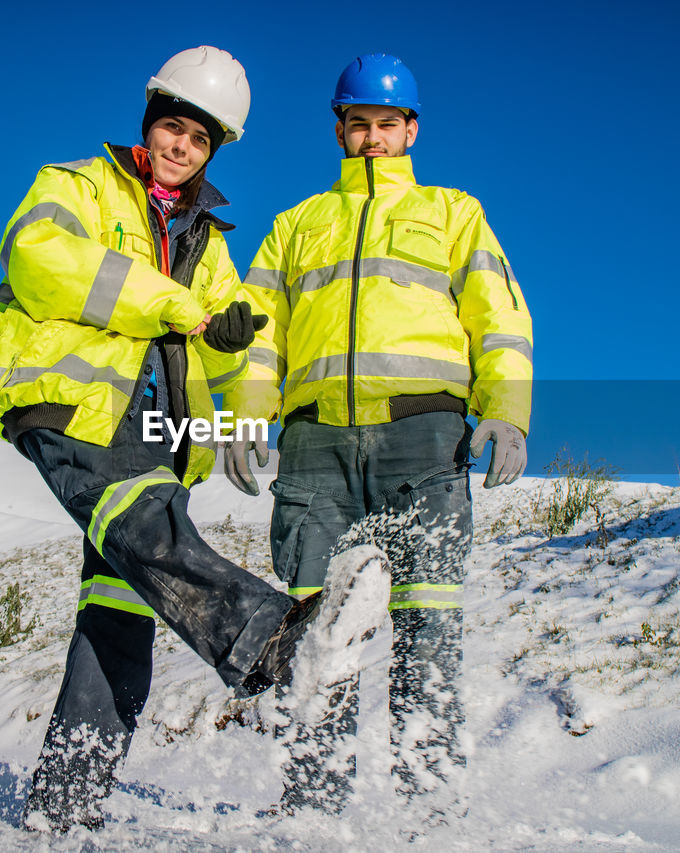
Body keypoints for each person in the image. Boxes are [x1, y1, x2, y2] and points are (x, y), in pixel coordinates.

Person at [0, 46, 358, 833]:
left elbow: (232, 339)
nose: (180, 147)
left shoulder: (207, 241)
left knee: (118, 612)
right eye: (171, 128)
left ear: (215, 151)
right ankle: (271, 645)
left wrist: (243, 386)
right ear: (149, 122)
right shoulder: (77, 184)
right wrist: (180, 307)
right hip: (72, 405)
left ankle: (63, 807)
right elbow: (41, 258)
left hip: (156, 430)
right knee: (144, 520)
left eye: (198, 139)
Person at [224, 53, 534, 818]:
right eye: (357, 125)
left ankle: (430, 812)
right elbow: (261, 336)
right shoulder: (296, 226)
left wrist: (507, 409)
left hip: (423, 441)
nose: (372, 139)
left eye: (385, 125)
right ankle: (312, 810)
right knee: (314, 630)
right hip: (315, 449)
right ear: (339, 130)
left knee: (428, 621)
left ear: (410, 129)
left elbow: (499, 317)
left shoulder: (455, 213)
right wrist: (244, 414)